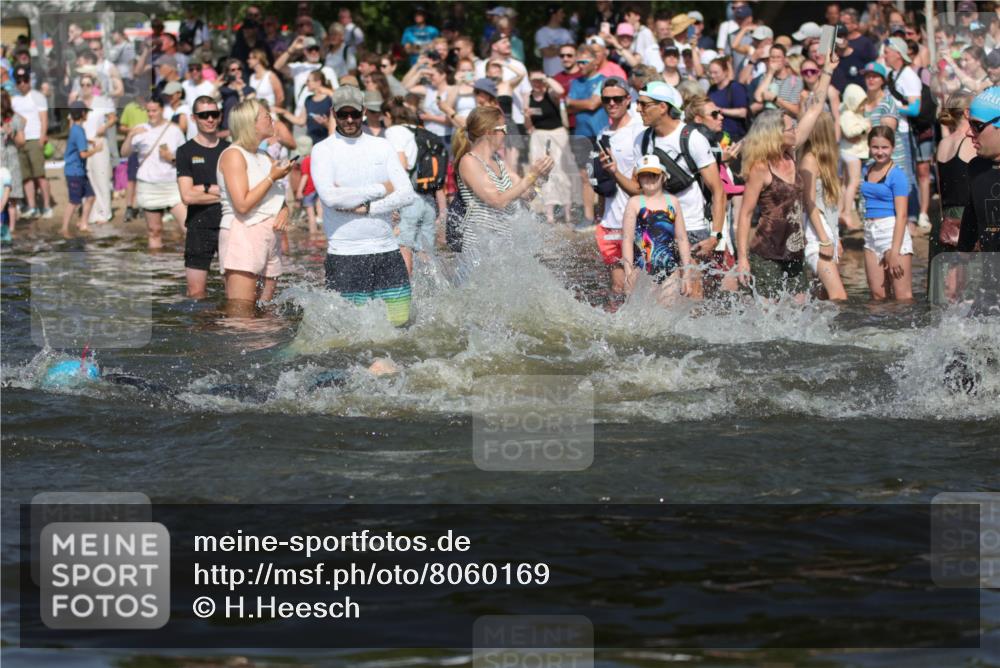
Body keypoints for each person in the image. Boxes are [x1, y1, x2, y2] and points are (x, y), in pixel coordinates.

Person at [311, 86, 417, 327]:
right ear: (333, 113)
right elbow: (330, 198)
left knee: (400, 326)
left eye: (355, 114)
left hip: (387, 251)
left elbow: (407, 194)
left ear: (364, 111)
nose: (349, 120)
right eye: (343, 114)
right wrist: (382, 188)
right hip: (345, 254)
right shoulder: (323, 150)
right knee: (348, 332)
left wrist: (368, 208)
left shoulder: (382, 146)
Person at [736, 54, 836, 298]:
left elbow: (815, 108)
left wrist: (827, 71)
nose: (795, 129)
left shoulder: (792, 152)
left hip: (794, 251)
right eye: (791, 127)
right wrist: (742, 260)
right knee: (770, 321)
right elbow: (746, 214)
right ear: (776, 134)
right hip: (766, 253)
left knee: (800, 313)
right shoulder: (761, 168)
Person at [627, 82, 727, 288]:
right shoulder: (642, 140)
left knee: (692, 294)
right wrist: (613, 172)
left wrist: (715, 235)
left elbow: (718, 191)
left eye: (644, 105)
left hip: (692, 227)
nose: (638, 109)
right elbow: (637, 190)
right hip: (655, 230)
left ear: (663, 107)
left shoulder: (692, 139)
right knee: (657, 296)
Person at [216, 99, 293, 313]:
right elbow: (242, 204)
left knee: (265, 313)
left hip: (269, 236)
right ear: (250, 123)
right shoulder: (233, 155)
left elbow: (278, 198)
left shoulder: (264, 155)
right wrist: (272, 177)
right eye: (267, 116)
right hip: (243, 232)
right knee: (241, 315)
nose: (272, 120)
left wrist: (285, 211)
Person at [453, 105, 553, 254]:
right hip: (481, 248)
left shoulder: (499, 161)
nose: (506, 134)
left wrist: (541, 176)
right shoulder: (469, 161)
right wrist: (531, 174)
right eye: (504, 129)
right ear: (489, 132)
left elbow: (527, 195)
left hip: (505, 245)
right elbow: (497, 201)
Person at [594, 77, 646, 297]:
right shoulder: (603, 133)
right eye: (606, 99)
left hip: (637, 221)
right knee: (617, 288)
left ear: (628, 99)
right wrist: (599, 214)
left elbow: (642, 185)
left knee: (634, 288)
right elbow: (604, 183)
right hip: (611, 220)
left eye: (617, 99)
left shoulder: (639, 131)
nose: (611, 104)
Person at [621, 154, 695, 304]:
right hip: (642, 269)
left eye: (654, 175)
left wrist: (686, 273)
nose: (649, 179)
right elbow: (627, 240)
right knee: (643, 311)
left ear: (663, 176)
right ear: (639, 179)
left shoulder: (673, 202)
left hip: (670, 269)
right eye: (644, 175)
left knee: (667, 309)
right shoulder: (635, 203)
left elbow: (681, 238)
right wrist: (628, 273)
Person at [120, 96, 188, 249]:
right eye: (148, 111)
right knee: (154, 230)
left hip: (171, 186)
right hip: (149, 185)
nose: (151, 114)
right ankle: (156, 267)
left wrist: (171, 157)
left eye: (154, 111)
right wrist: (130, 135)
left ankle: (190, 264)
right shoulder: (140, 129)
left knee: (187, 227)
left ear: (162, 110)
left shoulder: (174, 130)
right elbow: (124, 153)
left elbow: (185, 159)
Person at [176, 96, 226, 298]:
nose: (210, 119)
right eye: (204, 115)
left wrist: (204, 189)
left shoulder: (230, 149)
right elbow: (187, 196)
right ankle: (200, 329)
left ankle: (230, 329)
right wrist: (224, 194)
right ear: (194, 118)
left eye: (214, 114)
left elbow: (239, 192)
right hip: (199, 226)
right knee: (196, 293)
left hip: (228, 225)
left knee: (235, 293)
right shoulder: (185, 151)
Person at [859, 126, 913, 300]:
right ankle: (882, 328)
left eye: (885, 147)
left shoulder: (897, 175)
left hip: (891, 232)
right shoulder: (866, 170)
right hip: (870, 232)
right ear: (869, 147)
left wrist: (895, 252)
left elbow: (902, 215)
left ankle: (905, 327)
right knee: (877, 294)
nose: (880, 152)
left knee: (902, 296)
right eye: (875, 147)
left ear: (893, 148)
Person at [883, 36, 930, 232]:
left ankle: (911, 217)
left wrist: (891, 107)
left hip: (903, 132)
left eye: (887, 52)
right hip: (894, 131)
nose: (884, 55)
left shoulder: (909, 76)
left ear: (897, 54)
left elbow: (915, 109)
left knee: (908, 176)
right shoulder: (894, 74)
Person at [799, 112, 847, 300]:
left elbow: (830, 205)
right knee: (839, 296)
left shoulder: (827, 159)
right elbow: (808, 202)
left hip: (826, 230)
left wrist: (837, 238)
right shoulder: (809, 160)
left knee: (822, 296)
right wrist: (825, 239)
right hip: (816, 233)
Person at [567, 45, 608, 229]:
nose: (580, 65)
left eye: (584, 61)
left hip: (600, 134)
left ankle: (604, 215)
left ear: (595, 61)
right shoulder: (575, 83)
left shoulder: (603, 81)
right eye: (578, 62)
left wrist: (578, 104)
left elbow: (593, 104)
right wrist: (582, 103)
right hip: (581, 135)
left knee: (603, 176)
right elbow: (568, 105)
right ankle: (588, 216)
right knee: (585, 177)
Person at [934, 92, 976, 267]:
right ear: (967, 112)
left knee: (947, 282)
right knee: (970, 280)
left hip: (946, 219)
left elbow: (940, 187)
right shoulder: (971, 142)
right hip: (966, 218)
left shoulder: (943, 144)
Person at [525, 70, 572, 226]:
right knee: (543, 173)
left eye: (539, 80)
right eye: (534, 80)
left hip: (557, 133)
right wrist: (526, 116)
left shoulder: (550, 93)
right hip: (538, 135)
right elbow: (528, 124)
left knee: (562, 172)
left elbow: (560, 91)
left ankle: (567, 212)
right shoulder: (528, 96)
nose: (536, 83)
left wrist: (545, 78)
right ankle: (549, 214)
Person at [960, 87, 1000, 254]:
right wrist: (958, 263)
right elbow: (969, 222)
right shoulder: (976, 167)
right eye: (970, 124)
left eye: (977, 125)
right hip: (990, 274)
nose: (969, 132)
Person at [11, 66, 51, 219]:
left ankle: (46, 206)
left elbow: (43, 118)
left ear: (29, 80)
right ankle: (32, 206)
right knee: (26, 176)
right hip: (20, 140)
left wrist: (42, 137)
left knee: (39, 175)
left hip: (34, 138)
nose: (22, 83)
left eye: (25, 80)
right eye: (19, 81)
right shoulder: (14, 99)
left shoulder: (37, 96)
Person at [77, 74, 116, 225]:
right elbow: (71, 123)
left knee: (101, 177)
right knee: (88, 177)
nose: (85, 87)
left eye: (88, 84)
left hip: (99, 143)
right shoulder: (78, 103)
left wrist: (104, 127)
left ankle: (104, 213)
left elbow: (113, 117)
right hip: (83, 143)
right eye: (83, 84)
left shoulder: (101, 101)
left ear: (93, 86)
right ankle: (92, 212)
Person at [61, 101, 100, 237]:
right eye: (86, 112)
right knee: (74, 201)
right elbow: (83, 154)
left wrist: (88, 141)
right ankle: (64, 228)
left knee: (90, 196)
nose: (87, 114)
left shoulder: (76, 129)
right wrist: (96, 150)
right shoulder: (78, 130)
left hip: (80, 171)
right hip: (74, 172)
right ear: (82, 113)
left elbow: (77, 141)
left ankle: (83, 223)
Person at [276, 70, 334, 145]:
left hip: (326, 142)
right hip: (312, 143)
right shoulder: (308, 100)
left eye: (308, 81)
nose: (306, 83)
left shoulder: (330, 99)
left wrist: (325, 123)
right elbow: (301, 121)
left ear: (318, 82)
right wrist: (283, 112)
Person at [707, 56, 749, 142]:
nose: (712, 76)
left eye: (716, 73)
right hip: (718, 134)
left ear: (725, 72)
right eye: (710, 72)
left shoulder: (735, 87)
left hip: (734, 135)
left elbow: (743, 112)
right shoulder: (712, 89)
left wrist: (720, 110)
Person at [0, 91, 25, 234]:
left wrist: (12, 134)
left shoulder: (14, 118)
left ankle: (11, 228)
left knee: (11, 197)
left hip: (11, 161)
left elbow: (21, 142)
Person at [535, 5, 574, 77]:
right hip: (551, 75)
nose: (564, 15)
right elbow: (547, 53)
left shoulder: (565, 32)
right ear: (553, 15)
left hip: (567, 74)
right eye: (561, 13)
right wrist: (564, 48)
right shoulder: (542, 32)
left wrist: (555, 48)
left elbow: (572, 50)